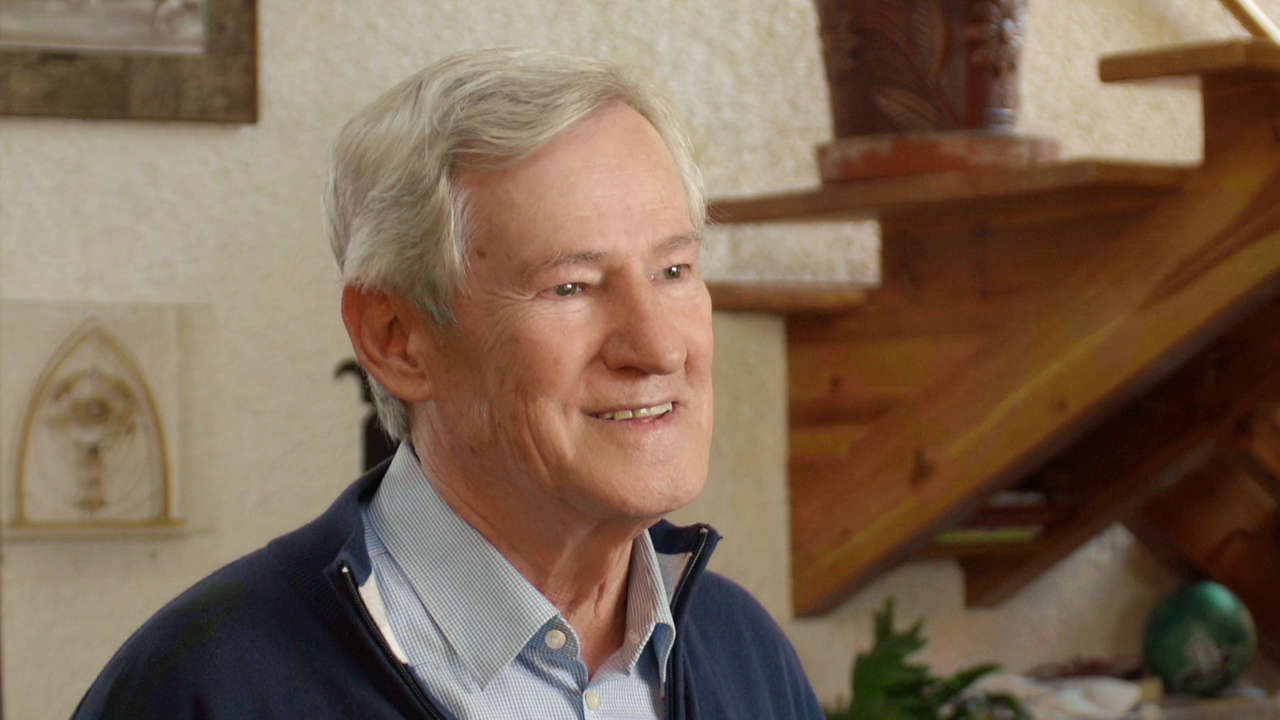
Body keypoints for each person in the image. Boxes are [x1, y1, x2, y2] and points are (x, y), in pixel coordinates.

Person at [73, 47, 825, 719]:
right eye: (571, 287)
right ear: (395, 340)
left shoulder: (743, 654)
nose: (657, 348)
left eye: (673, 271)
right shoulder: (207, 687)